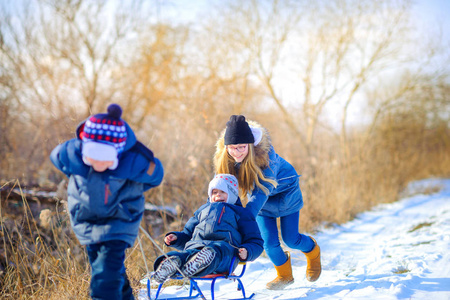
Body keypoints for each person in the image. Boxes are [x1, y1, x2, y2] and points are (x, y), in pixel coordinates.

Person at [50, 104, 164, 300]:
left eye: (106, 158)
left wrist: (139, 158)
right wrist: (75, 147)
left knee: (104, 276)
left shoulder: (131, 162)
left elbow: (156, 175)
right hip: (87, 223)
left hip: (118, 223)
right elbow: (57, 155)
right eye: (92, 155)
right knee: (111, 271)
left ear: (118, 152)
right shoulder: (75, 157)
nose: (98, 163)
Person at [213, 115, 321, 290]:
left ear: (250, 145)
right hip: (261, 201)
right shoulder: (226, 159)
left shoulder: (266, 156)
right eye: (233, 148)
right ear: (226, 147)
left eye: (241, 147)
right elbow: (222, 187)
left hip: (285, 195)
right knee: (269, 243)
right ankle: (285, 276)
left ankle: (313, 252)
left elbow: (262, 190)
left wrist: (244, 219)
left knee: (291, 239)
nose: (237, 152)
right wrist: (216, 213)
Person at [153, 174, 263, 284]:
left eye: (223, 192)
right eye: (214, 192)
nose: (218, 195)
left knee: (216, 250)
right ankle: (169, 264)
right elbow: (187, 235)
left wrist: (247, 251)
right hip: (197, 247)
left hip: (226, 251)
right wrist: (176, 238)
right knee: (186, 254)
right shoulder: (202, 210)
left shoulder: (241, 213)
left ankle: (201, 261)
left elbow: (255, 241)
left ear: (232, 194)